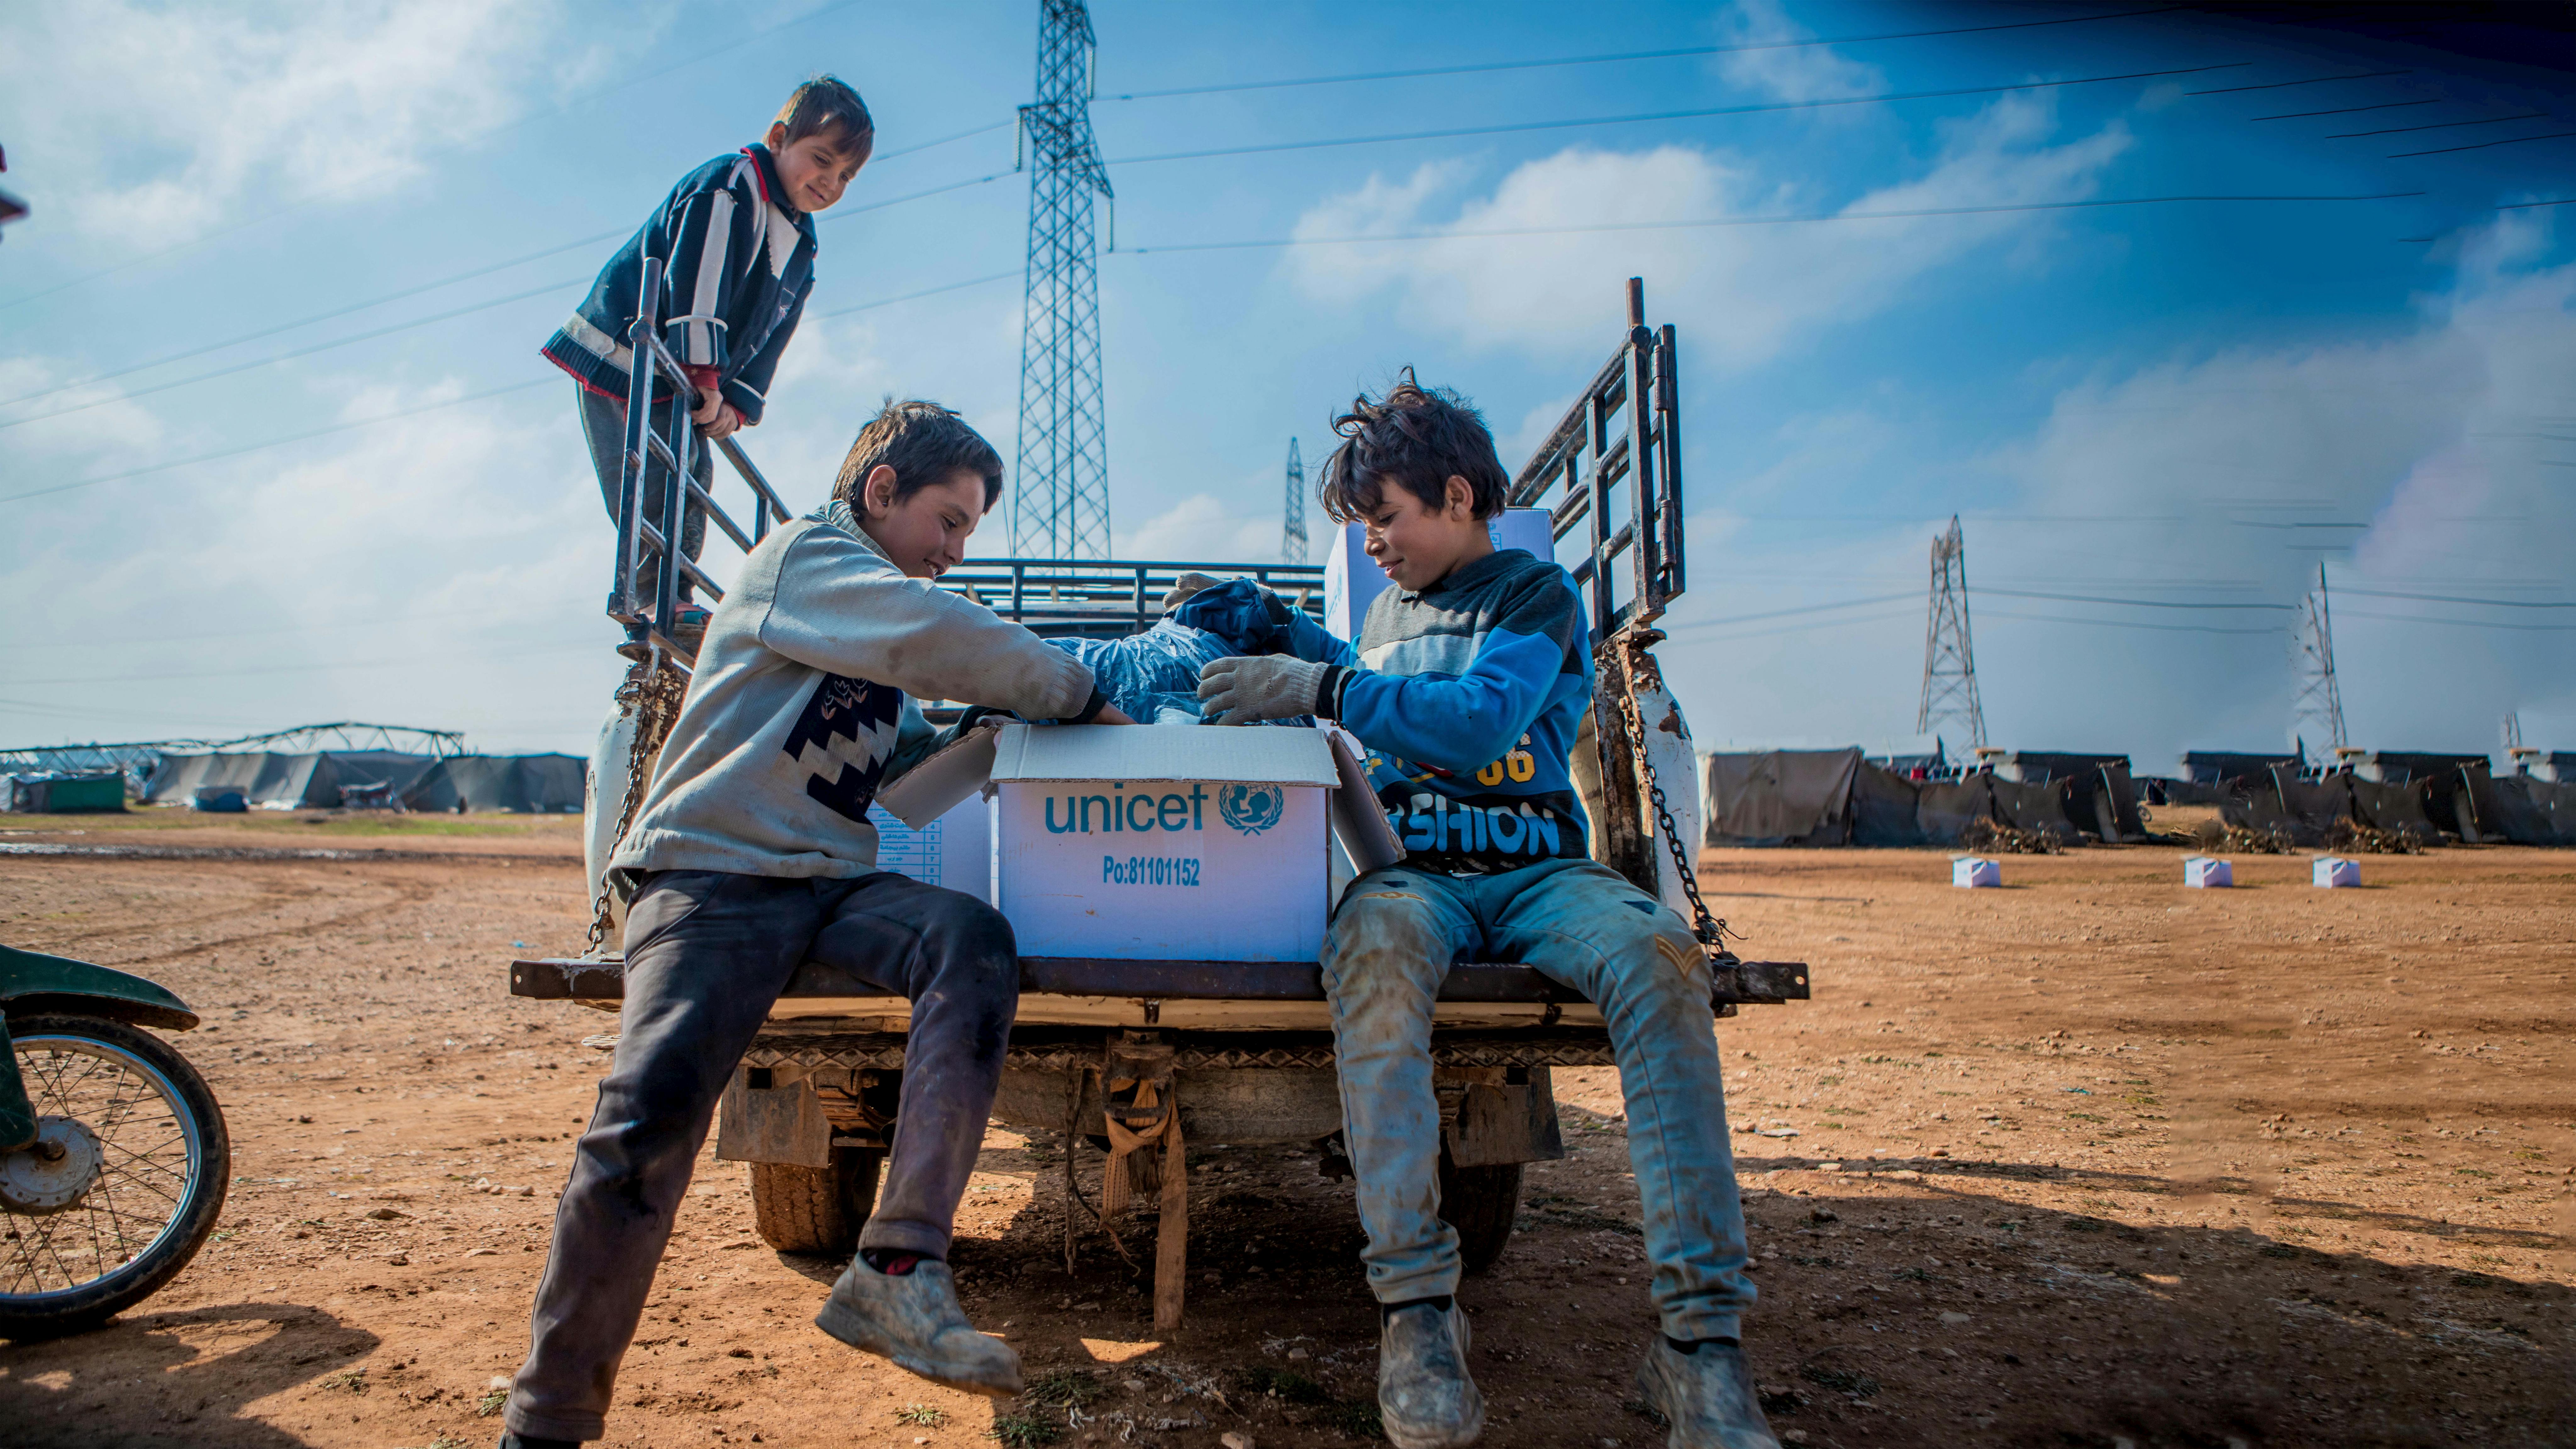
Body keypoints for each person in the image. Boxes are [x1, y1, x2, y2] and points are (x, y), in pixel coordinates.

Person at [498, 401, 1133, 1449]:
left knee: (967, 939)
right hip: (712, 877)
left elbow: (915, 763)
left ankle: (898, 1267)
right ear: (882, 491)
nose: (956, 548)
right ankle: (545, 1421)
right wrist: (1079, 693)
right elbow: (939, 636)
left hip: (825, 886)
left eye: (971, 529)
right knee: (646, 1124)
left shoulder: (869, 626)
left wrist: (1002, 740)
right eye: (949, 518)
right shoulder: (806, 559)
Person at [1196, 374, 1777, 1449]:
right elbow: (1372, 702)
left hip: (1540, 876)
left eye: (1387, 519)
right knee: (1367, 945)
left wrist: (1321, 689)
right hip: (1416, 875)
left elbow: (1473, 724)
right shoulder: (1380, 613)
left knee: (1660, 953)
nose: (1372, 544)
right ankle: (1417, 1316)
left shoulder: (1534, 598)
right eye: (1363, 528)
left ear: (1456, 496)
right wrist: (1290, 644)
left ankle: (1701, 1350)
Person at [544, 74, 872, 653]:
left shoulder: (802, 241)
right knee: (649, 476)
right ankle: (652, 594)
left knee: (694, 474)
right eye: (821, 160)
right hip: (629, 351)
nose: (831, 182)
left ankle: (679, 595)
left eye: (846, 176)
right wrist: (702, 373)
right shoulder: (732, 183)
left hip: (692, 377)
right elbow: (700, 277)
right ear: (778, 139)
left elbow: (777, 324)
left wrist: (740, 397)